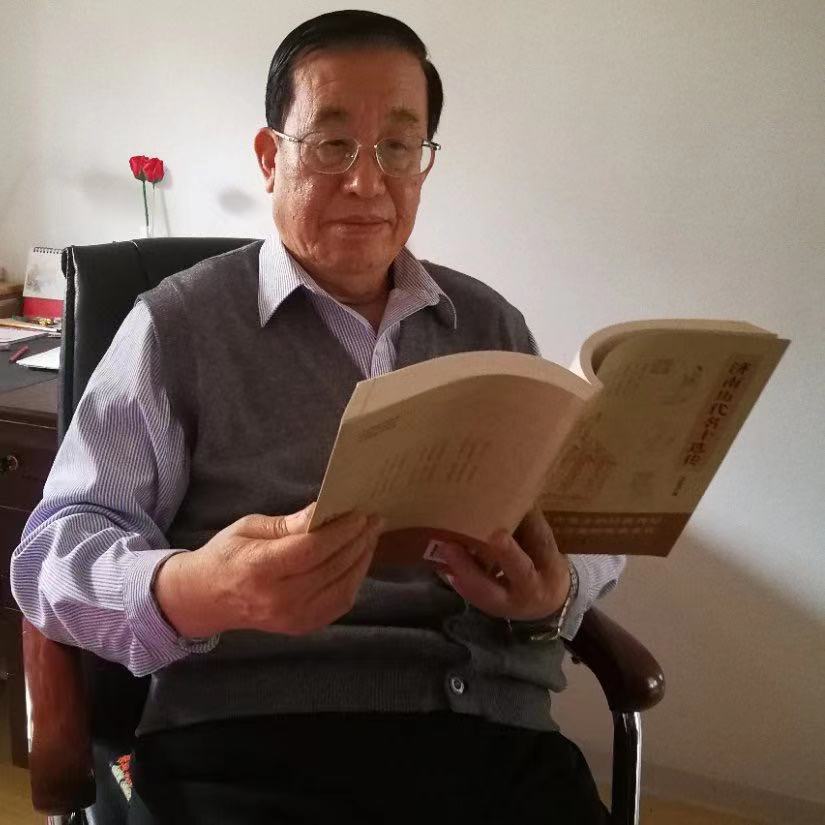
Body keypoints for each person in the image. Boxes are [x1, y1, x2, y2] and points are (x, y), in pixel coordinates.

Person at [12, 10, 624, 824]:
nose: (368, 182)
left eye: (398, 147)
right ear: (271, 157)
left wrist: (556, 588)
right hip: (246, 738)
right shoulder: (178, 327)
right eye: (333, 143)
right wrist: (199, 589)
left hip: (484, 730)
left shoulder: (487, 325)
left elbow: (574, 521)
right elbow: (53, 556)